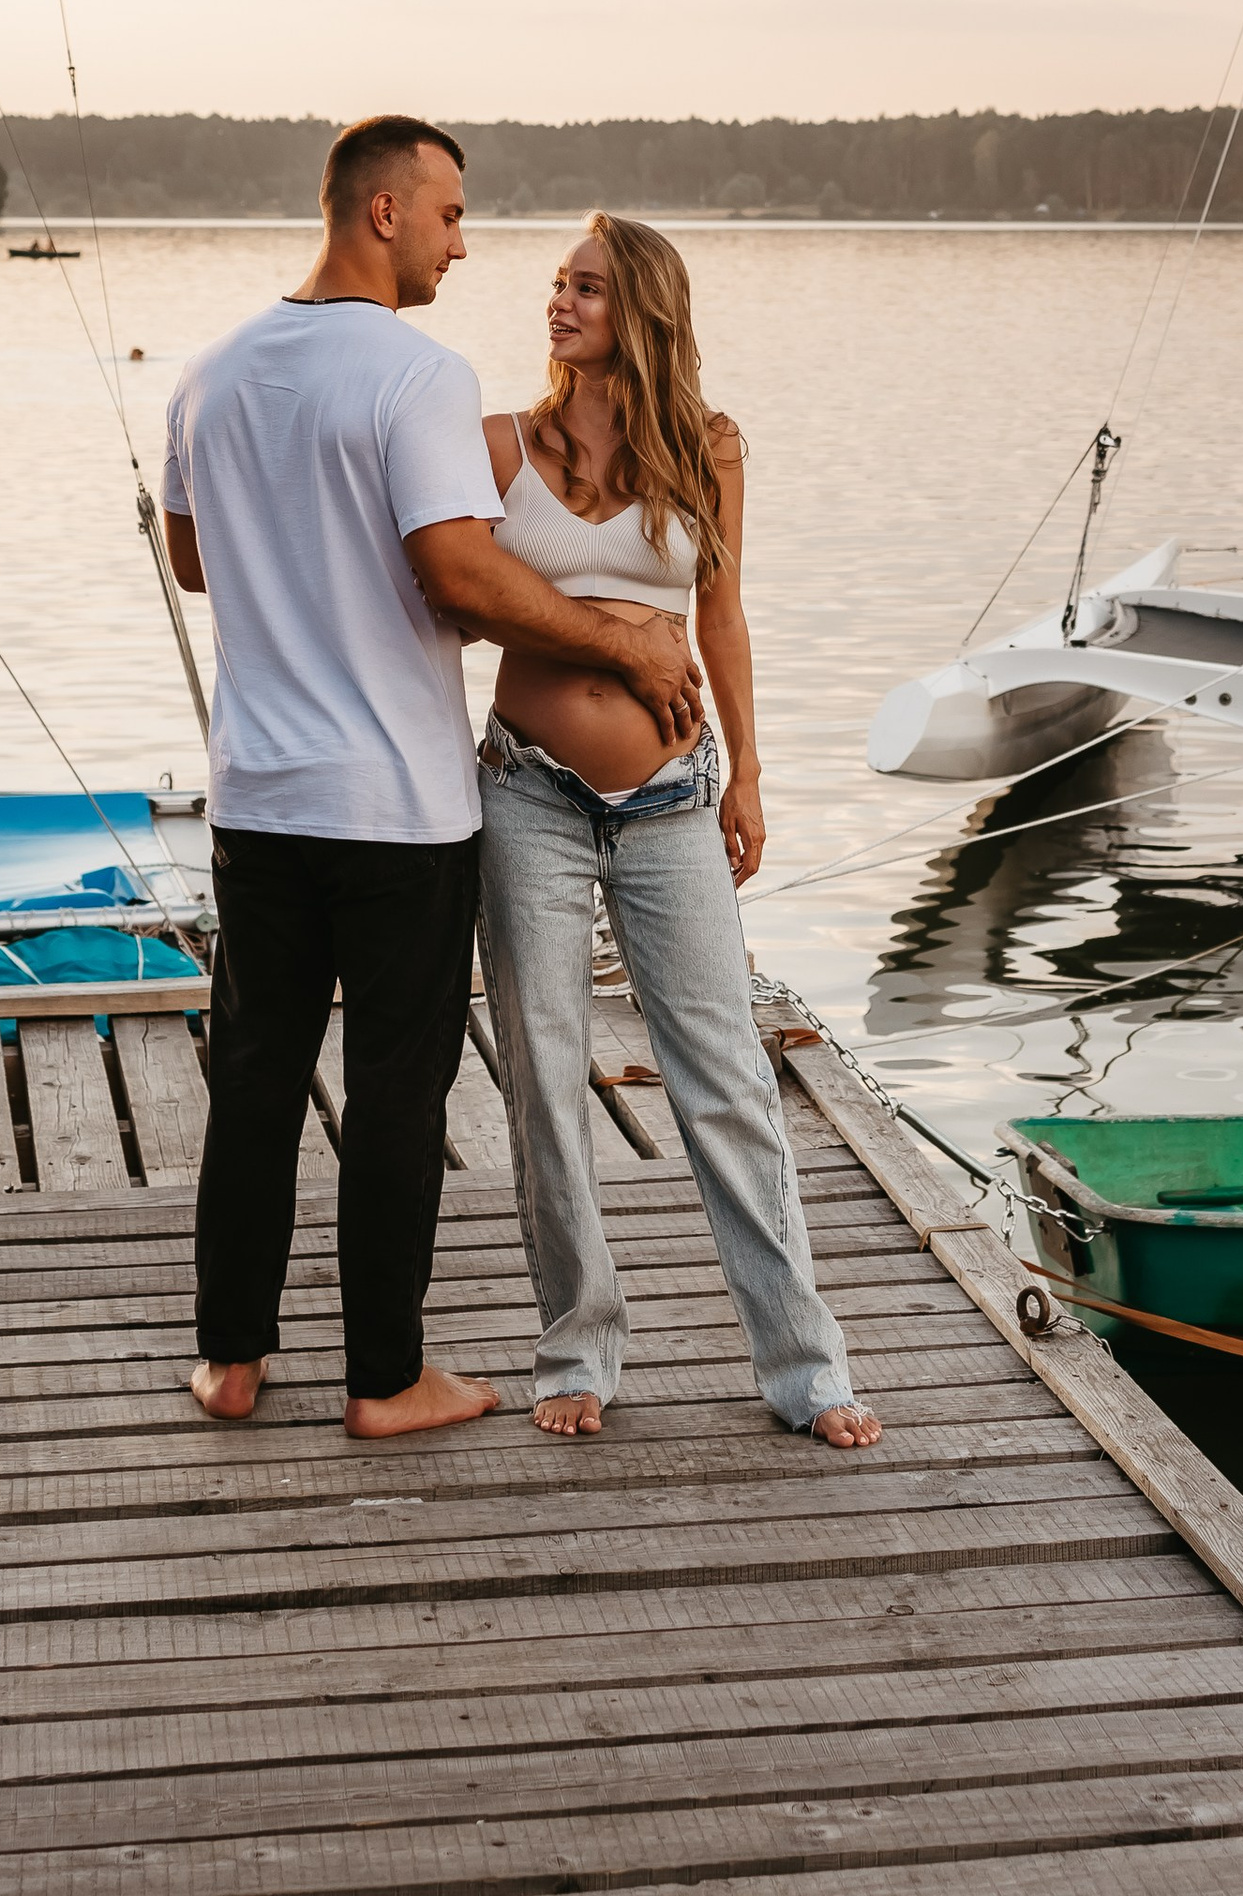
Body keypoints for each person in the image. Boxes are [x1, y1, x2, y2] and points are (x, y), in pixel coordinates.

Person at [161, 117, 703, 1440]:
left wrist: (307, 570)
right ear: (385, 211)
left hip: (257, 797)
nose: (464, 245)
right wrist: (620, 634)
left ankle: (232, 1360)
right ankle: (385, 1379)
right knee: (397, 1096)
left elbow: (192, 558)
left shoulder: (210, 374)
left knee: (259, 1080)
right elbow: (458, 574)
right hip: (396, 804)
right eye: (452, 216)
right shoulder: (415, 379)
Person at [475, 211, 879, 1448]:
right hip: (527, 790)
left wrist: (748, 772)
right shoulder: (495, 443)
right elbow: (462, 598)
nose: (559, 302)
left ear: (641, 308)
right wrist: (597, 633)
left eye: (586, 287)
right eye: (554, 283)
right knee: (544, 1078)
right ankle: (575, 1349)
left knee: (727, 1080)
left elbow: (723, 614)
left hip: (670, 799)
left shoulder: (709, 447)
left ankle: (804, 1368)